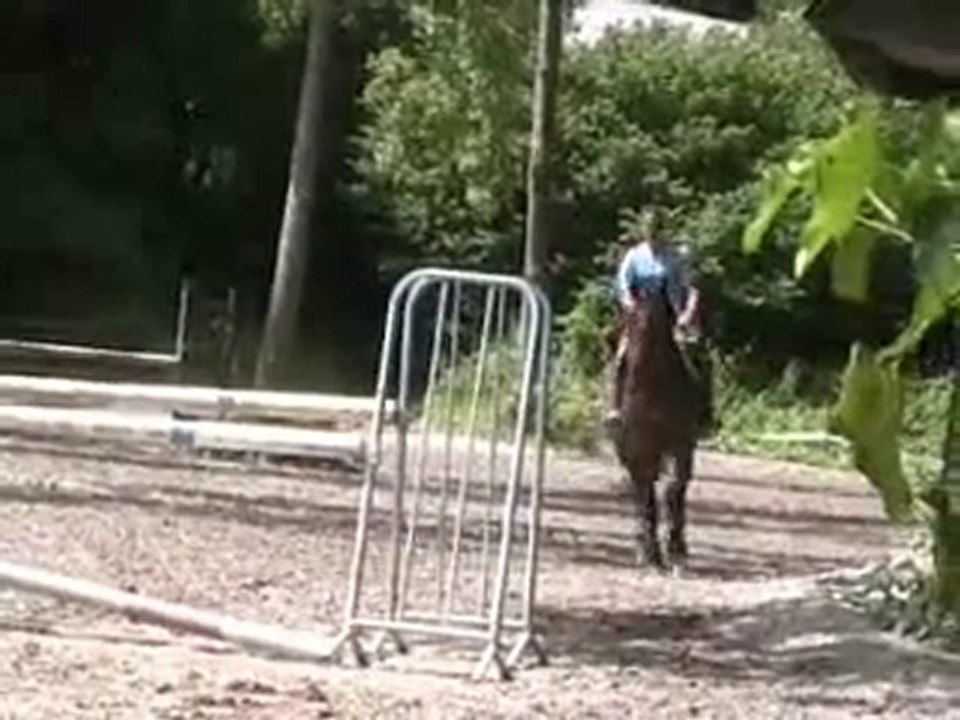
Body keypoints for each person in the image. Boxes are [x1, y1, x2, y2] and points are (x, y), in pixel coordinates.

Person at [603, 214, 716, 436]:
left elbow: (691, 288)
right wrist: (630, 305)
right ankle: (615, 407)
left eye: (657, 233)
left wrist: (686, 313)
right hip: (638, 315)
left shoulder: (675, 258)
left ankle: (703, 413)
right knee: (621, 355)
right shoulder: (634, 256)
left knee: (695, 354)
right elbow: (622, 285)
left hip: (671, 314)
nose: (654, 238)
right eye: (650, 233)